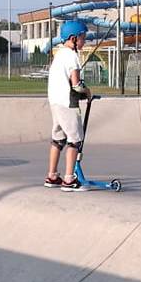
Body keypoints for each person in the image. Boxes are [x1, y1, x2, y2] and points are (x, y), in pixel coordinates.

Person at [45, 19, 91, 190]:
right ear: (73, 38)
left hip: (55, 102)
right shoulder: (72, 56)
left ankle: (52, 176)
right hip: (67, 103)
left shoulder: (59, 54)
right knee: (75, 140)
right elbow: (76, 84)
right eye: (82, 37)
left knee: (58, 139)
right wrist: (87, 92)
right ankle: (69, 179)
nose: (84, 41)